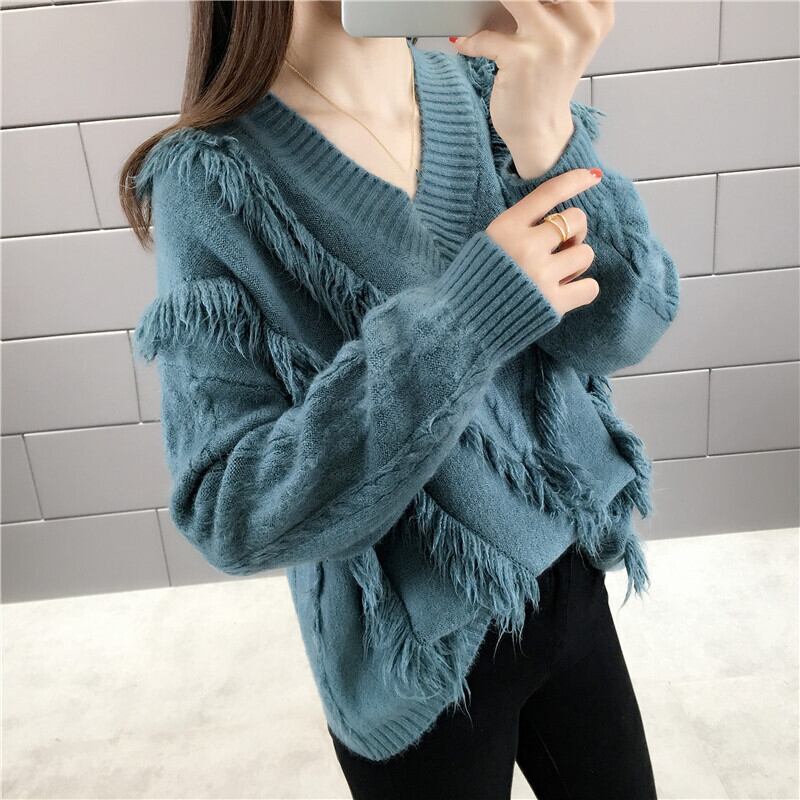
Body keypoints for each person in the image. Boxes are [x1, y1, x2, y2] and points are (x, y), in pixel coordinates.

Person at [119, 1, 679, 797]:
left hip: (572, 578)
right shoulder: (213, 181)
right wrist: (465, 322)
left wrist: (545, 132)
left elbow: (628, 328)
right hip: (410, 662)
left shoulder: (490, 90)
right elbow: (229, 510)